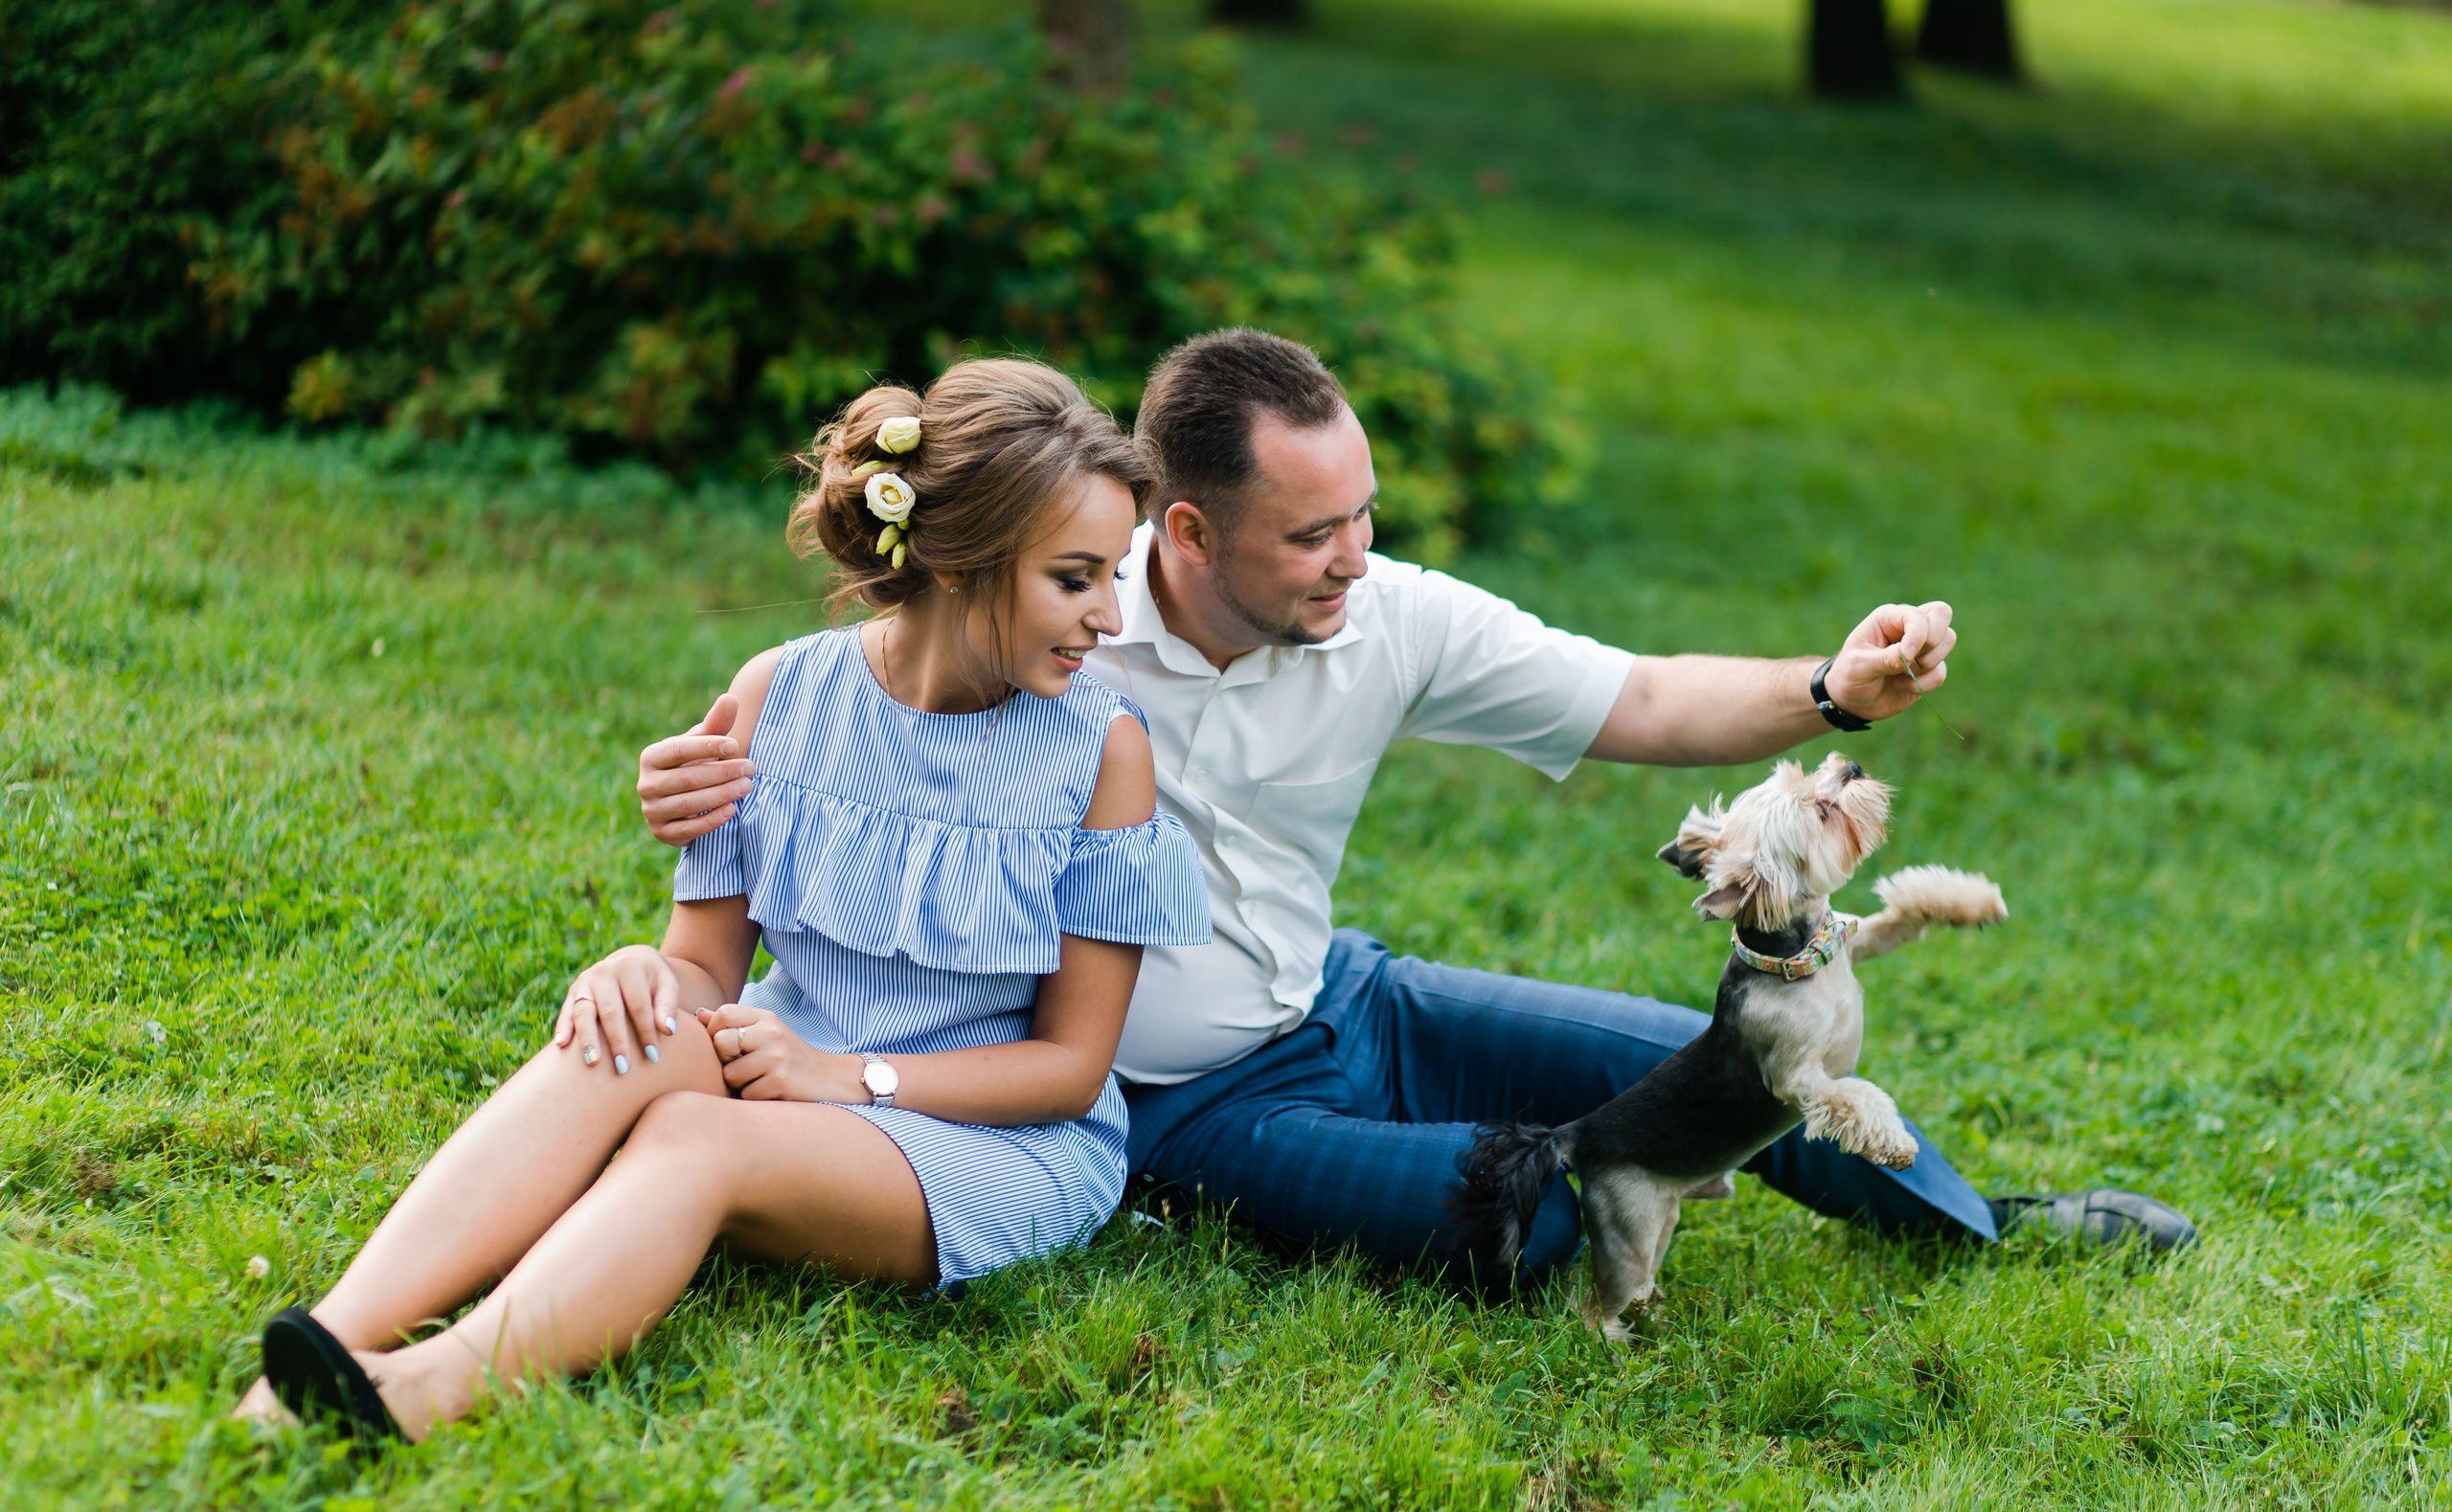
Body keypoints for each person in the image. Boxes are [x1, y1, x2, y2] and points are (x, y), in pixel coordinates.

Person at [637, 328, 2193, 1287]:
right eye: (1314, 531)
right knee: (1550, 1220)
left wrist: (1834, 690)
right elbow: (875, 691)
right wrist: (716, 770)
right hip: (1188, 1101)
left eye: (1365, 513)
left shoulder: (1384, 612)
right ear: (1184, 531)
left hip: (1347, 991)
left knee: (1732, 1066)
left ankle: (1992, 1220)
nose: (1355, 556)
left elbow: (1638, 700)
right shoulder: (1056, 627)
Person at [237, 360, 1209, 1440]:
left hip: (993, 1140)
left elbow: (1071, 1071)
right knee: (624, 1037)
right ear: (958, 561)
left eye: (1110, 577)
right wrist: (645, 973)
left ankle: (419, 1393)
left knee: (696, 1138)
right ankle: (321, 1347)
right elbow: (704, 968)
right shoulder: (780, 694)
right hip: (788, 1064)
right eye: (1075, 580)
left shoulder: (1102, 753)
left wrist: (851, 1077)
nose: (1110, 618)